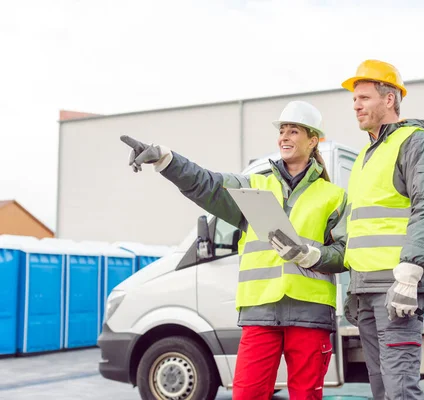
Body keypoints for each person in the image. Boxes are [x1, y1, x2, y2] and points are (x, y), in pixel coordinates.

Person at [120, 100, 348, 400]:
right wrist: (167, 159)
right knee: (247, 395)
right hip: (260, 312)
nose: (285, 137)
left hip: (310, 315)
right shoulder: (254, 186)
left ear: (313, 139)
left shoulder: (333, 196)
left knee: (306, 396)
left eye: (294, 131)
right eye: (282, 131)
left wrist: (312, 255)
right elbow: (207, 184)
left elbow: (346, 253)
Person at [340, 59, 424, 400]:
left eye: (364, 97)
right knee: (382, 388)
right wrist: (353, 287)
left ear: (389, 99)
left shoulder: (417, 143)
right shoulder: (365, 157)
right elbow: (361, 227)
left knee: (399, 388)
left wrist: (410, 275)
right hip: (367, 288)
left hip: (397, 285)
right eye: (354, 99)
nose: (356, 105)